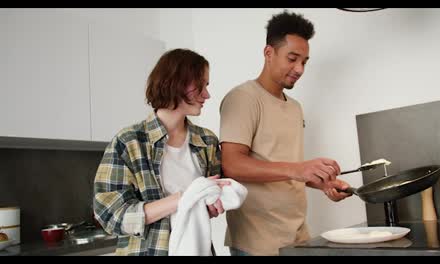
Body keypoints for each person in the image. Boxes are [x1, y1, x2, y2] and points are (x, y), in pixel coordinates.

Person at [219, 10, 352, 256]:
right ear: (269, 53)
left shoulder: (294, 107)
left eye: (304, 61)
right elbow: (231, 164)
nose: (300, 68)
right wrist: (298, 169)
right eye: (292, 58)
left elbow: (284, 168)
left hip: (298, 237)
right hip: (256, 244)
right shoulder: (243, 99)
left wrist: (321, 182)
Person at [93, 48, 228, 256]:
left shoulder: (207, 141)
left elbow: (209, 202)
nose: (207, 94)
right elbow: (109, 214)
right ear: (176, 83)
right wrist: (183, 198)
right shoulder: (129, 142)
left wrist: (211, 204)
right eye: (200, 85)